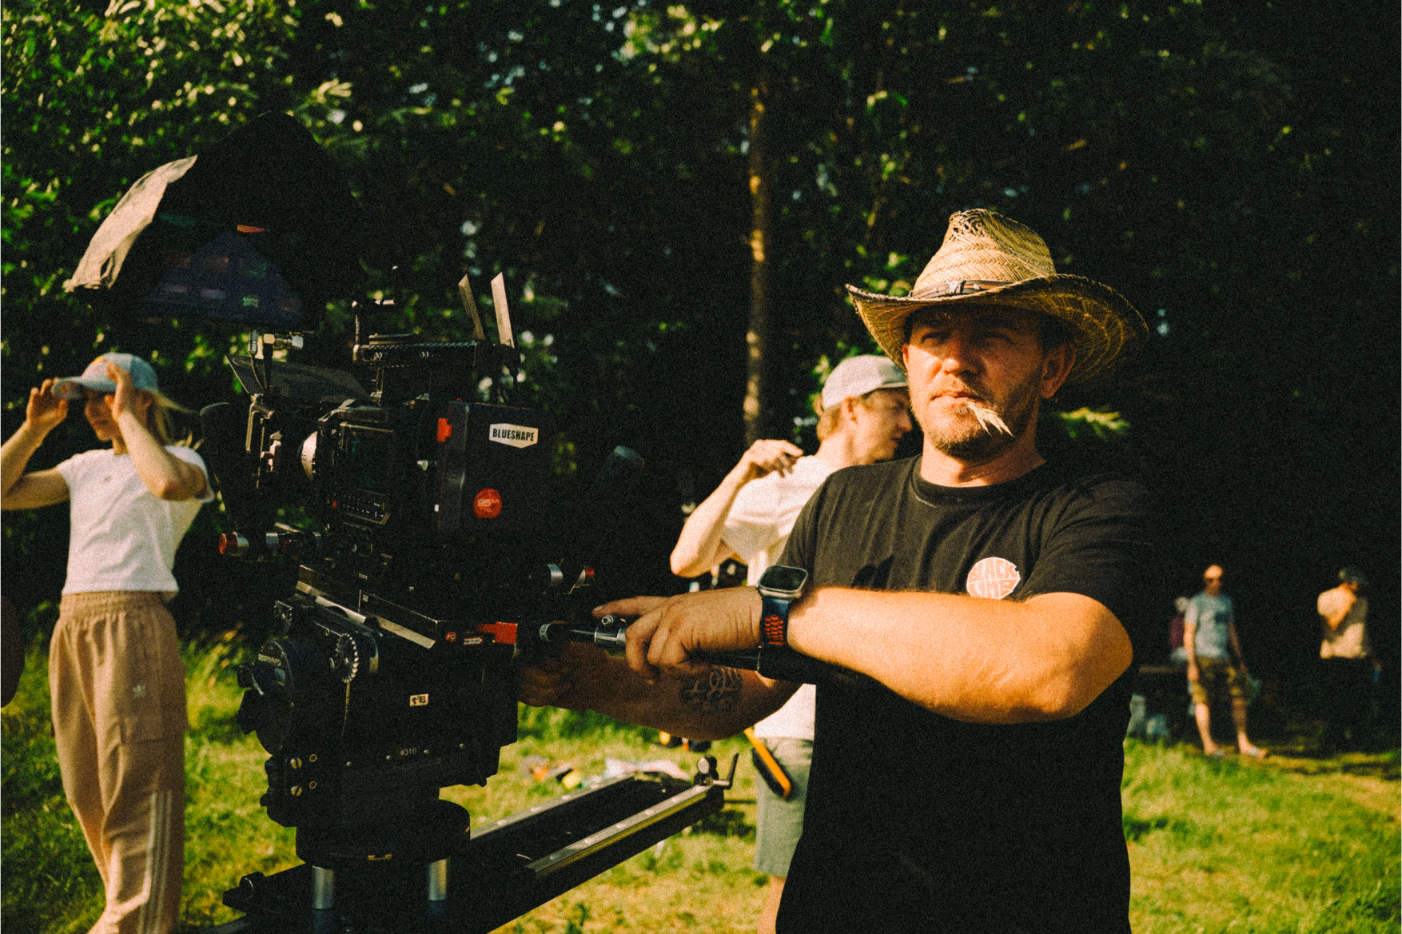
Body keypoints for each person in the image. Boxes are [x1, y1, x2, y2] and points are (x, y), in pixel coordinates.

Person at [522, 209, 1156, 932]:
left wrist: (775, 611)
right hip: (839, 904)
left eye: (992, 334)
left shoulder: (1103, 502)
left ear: (1052, 367)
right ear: (908, 362)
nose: (956, 359)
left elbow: (1052, 668)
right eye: (934, 336)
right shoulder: (844, 499)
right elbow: (752, 688)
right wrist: (575, 674)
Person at [669, 353, 912, 934]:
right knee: (794, 890)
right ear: (852, 408)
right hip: (797, 725)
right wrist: (741, 473)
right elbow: (687, 560)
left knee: (867, 891)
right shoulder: (788, 484)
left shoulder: (896, 489)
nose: (908, 423)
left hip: (874, 723)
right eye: (896, 407)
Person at [1, 352, 211, 934]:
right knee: (85, 785)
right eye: (89, 399)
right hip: (74, 624)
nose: (94, 409)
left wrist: (127, 419)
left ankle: (133, 922)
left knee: (139, 781)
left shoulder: (184, 460)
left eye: (106, 396)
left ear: (141, 399)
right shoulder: (85, 467)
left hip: (133, 622)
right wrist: (34, 430)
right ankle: (127, 908)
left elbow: (166, 484)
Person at [1182, 564, 1267, 758]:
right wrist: (1192, 663)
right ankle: (1209, 745)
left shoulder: (1225, 601)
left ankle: (1244, 743)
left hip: (1224, 656)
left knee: (1239, 698)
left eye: (1220, 578)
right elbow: (1189, 633)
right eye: (1211, 579)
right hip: (1203, 657)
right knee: (1203, 700)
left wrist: (1239, 659)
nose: (1216, 583)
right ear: (1204, 581)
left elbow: (1231, 631)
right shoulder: (1197, 602)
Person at [1316, 567, 1378, 750]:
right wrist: (1346, 606)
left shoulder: (1363, 601)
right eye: (1358, 583)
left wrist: (1372, 655)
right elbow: (1331, 626)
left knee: (1360, 703)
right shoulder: (1327, 597)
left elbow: (1363, 630)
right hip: (1336, 657)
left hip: (1359, 656)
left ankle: (1360, 741)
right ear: (1347, 582)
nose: (1361, 587)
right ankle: (1335, 740)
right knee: (1337, 702)